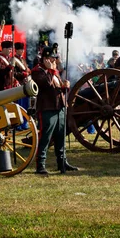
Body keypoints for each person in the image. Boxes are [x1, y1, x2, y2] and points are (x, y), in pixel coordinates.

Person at [31, 46, 79, 174]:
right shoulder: (37, 71)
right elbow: (46, 85)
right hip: (47, 107)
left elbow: (57, 87)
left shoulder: (54, 70)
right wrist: (51, 71)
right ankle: (40, 165)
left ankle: (62, 162)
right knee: (45, 137)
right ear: (46, 58)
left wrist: (65, 86)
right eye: (53, 58)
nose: (55, 61)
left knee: (60, 136)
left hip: (59, 106)